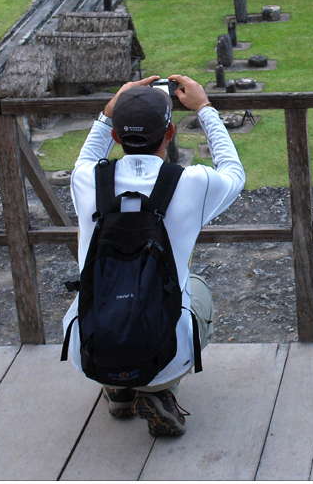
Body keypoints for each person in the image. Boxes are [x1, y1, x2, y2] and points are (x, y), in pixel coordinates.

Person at [62, 74, 245, 436]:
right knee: (196, 288)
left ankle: (117, 389)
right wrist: (205, 108)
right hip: (166, 351)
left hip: (90, 348)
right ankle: (160, 389)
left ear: (116, 136)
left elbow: (88, 156)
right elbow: (234, 173)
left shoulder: (87, 180)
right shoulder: (193, 182)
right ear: (171, 133)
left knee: (95, 291)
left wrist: (108, 112)